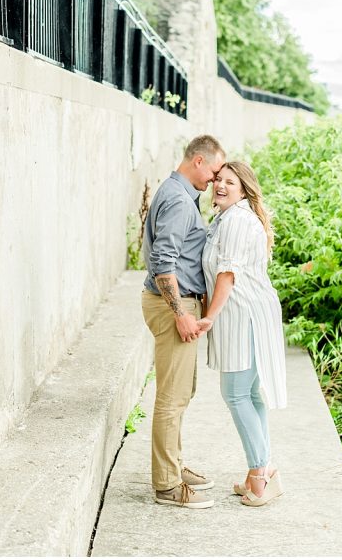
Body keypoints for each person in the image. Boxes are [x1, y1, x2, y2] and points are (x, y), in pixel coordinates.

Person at [141, 134, 226, 509]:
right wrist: (181, 314)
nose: (215, 180)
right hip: (172, 306)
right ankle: (166, 485)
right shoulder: (178, 199)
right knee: (171, 399)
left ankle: (173, 467)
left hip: (178, 305)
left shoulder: (180, 193)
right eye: (214, 170)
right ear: (198, 161)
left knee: (182, 393)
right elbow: (163, 261)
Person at [196, 161, 287, 507]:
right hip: (248, 313)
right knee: (250, 394)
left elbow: (227, 274)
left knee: (236, 394)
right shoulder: (230, 216)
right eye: (218, 179)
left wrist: (208, 317)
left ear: (243, 189)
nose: (220, 185)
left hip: (242, 315)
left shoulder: (236, 220)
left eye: (229, 182)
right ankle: (261, 473)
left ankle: (260, 475)